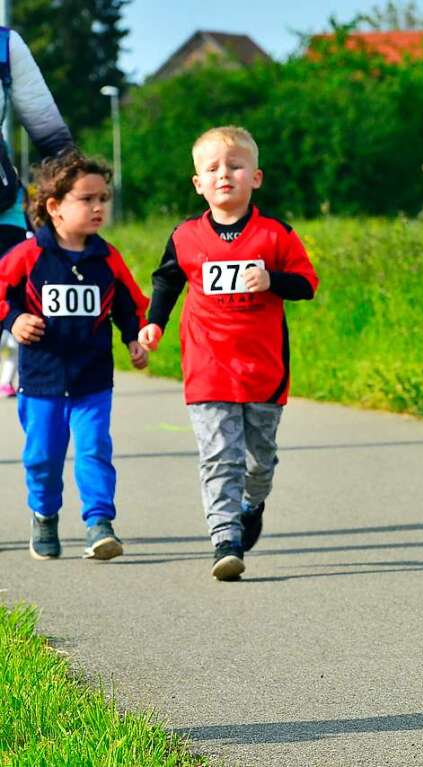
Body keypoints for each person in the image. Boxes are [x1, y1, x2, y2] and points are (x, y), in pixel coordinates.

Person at [138, 126, 318, 582]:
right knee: (220, 456)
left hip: (263, 369)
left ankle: (251, 504)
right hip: (207, 366)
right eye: (213, 168)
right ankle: (225, 539)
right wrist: (155, 321)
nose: (225, 175)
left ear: (255, 177)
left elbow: (307, 284)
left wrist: (272, 280)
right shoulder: (185, 236)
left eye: (235, 166)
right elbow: (167, 280)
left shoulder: (276, 235)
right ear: (197, 182)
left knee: (259, 461)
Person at [0, 148, 149, 560]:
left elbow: (129, 304)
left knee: (94, 449)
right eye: (87, 199)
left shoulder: (108, 257)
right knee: (43, 457)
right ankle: (44, 515)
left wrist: (135, 338)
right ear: (54, 207)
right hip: (41, 380)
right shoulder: (29, 256)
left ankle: (98, 523)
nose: (98, 207)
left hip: (92, 380)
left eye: (103, 199)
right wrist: (13, 320)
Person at [0, 25, 75, 397]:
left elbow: (50, 134)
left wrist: (78, 190)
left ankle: (44, 431)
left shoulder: (4, 45)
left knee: (17, 303)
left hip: (3, 208)